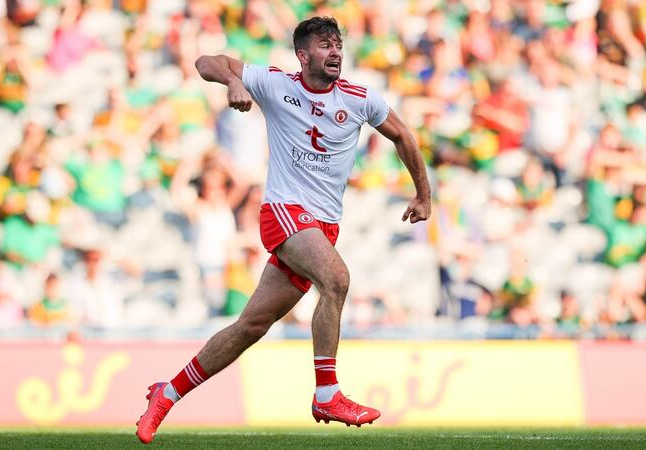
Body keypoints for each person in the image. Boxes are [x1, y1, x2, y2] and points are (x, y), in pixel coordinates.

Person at [135, 16, 431, 443]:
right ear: (303, 54)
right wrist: (235, 83)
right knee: (337, 278)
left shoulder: (361, 98)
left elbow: (403, 136)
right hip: (284, 212)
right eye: (325, 46)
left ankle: (167, 392)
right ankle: (327, 393)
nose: (335, 53)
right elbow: (205, 62)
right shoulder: (276, 84)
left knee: (251, 327)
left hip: (322, 226)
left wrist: (424, 195)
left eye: (338, 45)